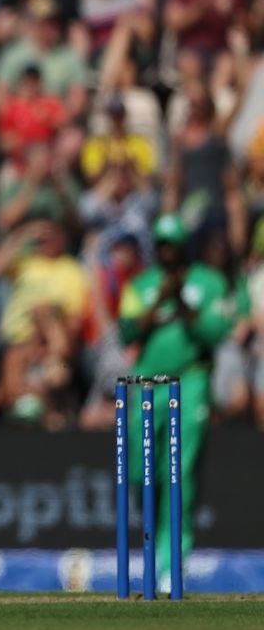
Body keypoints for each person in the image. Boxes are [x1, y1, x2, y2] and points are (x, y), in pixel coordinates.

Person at [119, 214, 232, 592]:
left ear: (184, 246)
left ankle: (171, 566)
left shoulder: (208, 282)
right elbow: (126, 330)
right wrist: (159, 303)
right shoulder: (141, 285)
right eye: (162, 245)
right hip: (146, 385)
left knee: (178, 475)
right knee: (139, 473)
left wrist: (181, 300)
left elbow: (215, 331)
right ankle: (154, 554)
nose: (167, 252)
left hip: (190, 381)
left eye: (173, 245)